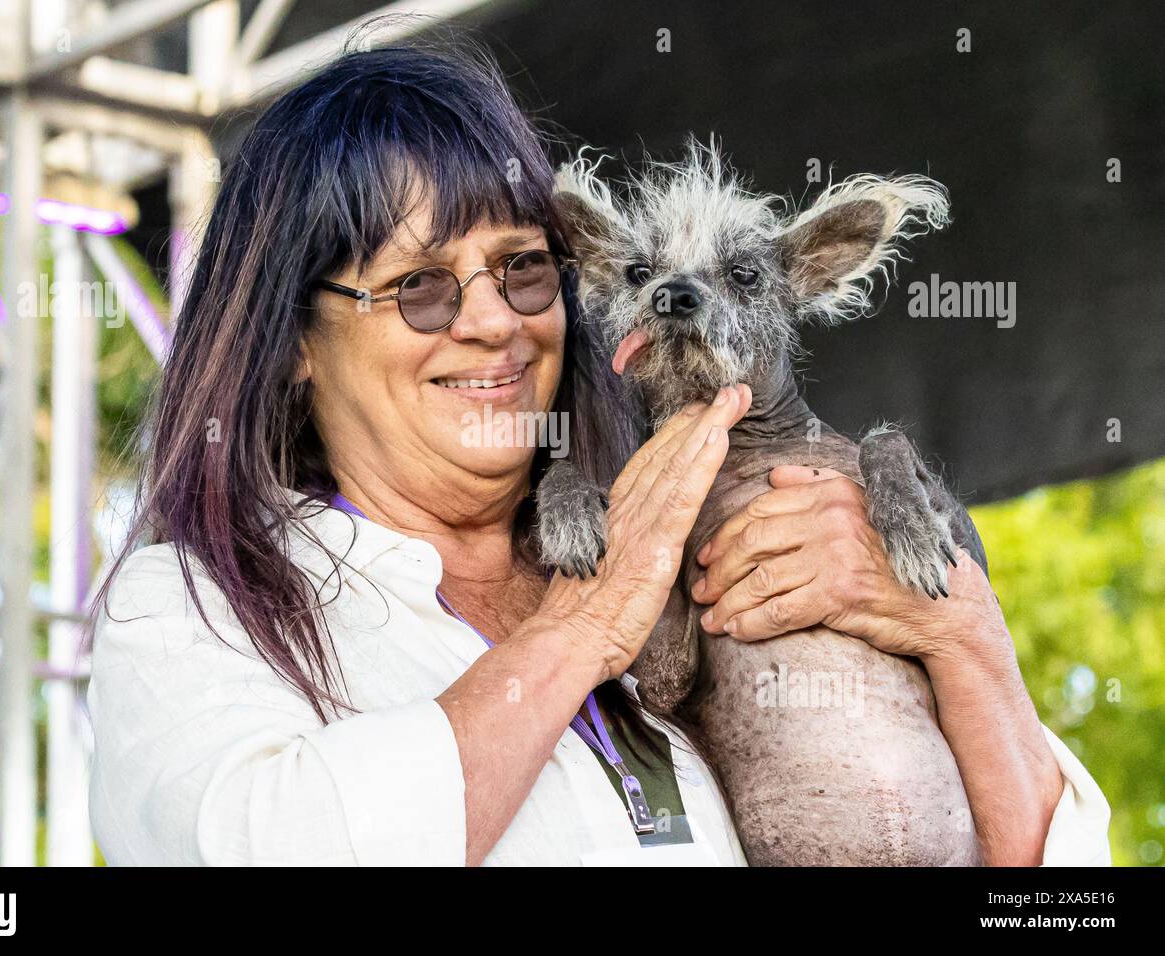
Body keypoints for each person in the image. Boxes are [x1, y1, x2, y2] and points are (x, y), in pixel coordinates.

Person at [86, 36, 1110, 866]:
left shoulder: (695, 553)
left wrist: (958, 633)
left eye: (523, 271)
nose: (491, 322)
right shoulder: (197, 606)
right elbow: (266, 847)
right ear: (296, 339)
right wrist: (584, 625)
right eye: (421, 286)